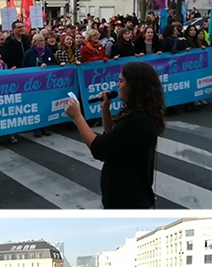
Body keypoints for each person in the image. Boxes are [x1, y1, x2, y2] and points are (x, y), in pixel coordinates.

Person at [65, 61, 165, 209]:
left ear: (134, 86)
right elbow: (112, 137)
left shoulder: (137, 121)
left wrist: (78, 117)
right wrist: (105, 109)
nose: (118, 85)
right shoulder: (138, 113)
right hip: (125, 194)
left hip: (128, 199)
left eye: (121, 81)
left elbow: (99, 148)